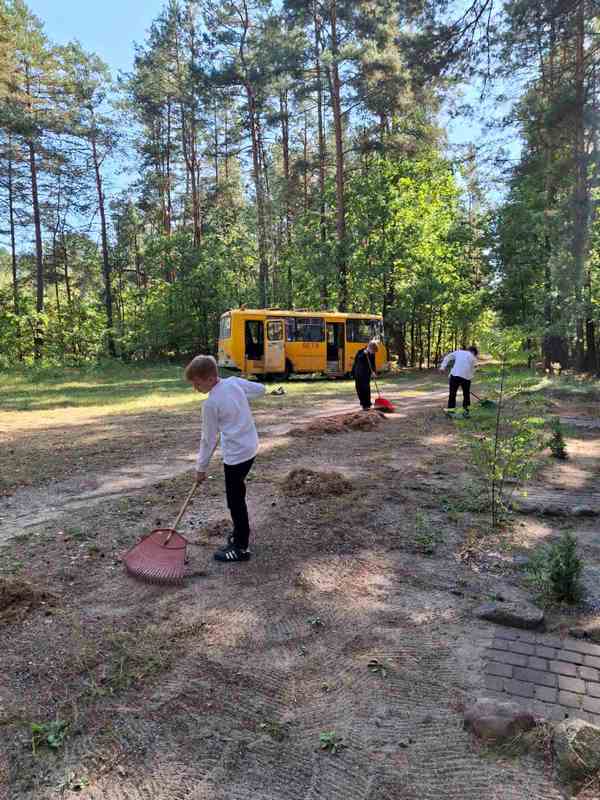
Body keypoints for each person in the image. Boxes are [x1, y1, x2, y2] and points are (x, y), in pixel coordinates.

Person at [185, 355, 266, 563]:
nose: (195, 388)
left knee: (235, 500)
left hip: (236, 456)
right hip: (251, 448)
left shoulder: (211, 404)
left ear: (211, 378)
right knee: (237, 494)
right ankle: (240, 532)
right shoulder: (234, 383)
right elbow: (260, 390)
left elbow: (208, 440)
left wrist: (201, 468)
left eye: (197, 383)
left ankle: (241, 547)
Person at [440, 346, 478, 418]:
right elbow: (474, 368)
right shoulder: (473, 357)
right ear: (473, 352)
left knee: (452, 394)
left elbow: (447, 357)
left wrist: (442, 367)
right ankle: (466, 413)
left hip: (454, 375)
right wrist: (470, 377)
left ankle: (450, 412)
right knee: (466, 396)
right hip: (466, 378)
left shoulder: (459, 352)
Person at [352, 340, 378, 410]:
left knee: (366, 388)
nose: (373, 353)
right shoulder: (360, 352)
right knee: (359, 389)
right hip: (358, 373)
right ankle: (363, 404)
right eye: (373, 351)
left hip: (366, 374)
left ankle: (368, 404)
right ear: (370, 348)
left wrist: (374, 372)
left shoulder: (372, 354)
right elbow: (357, 360)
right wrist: (364, 353)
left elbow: (373, 363)